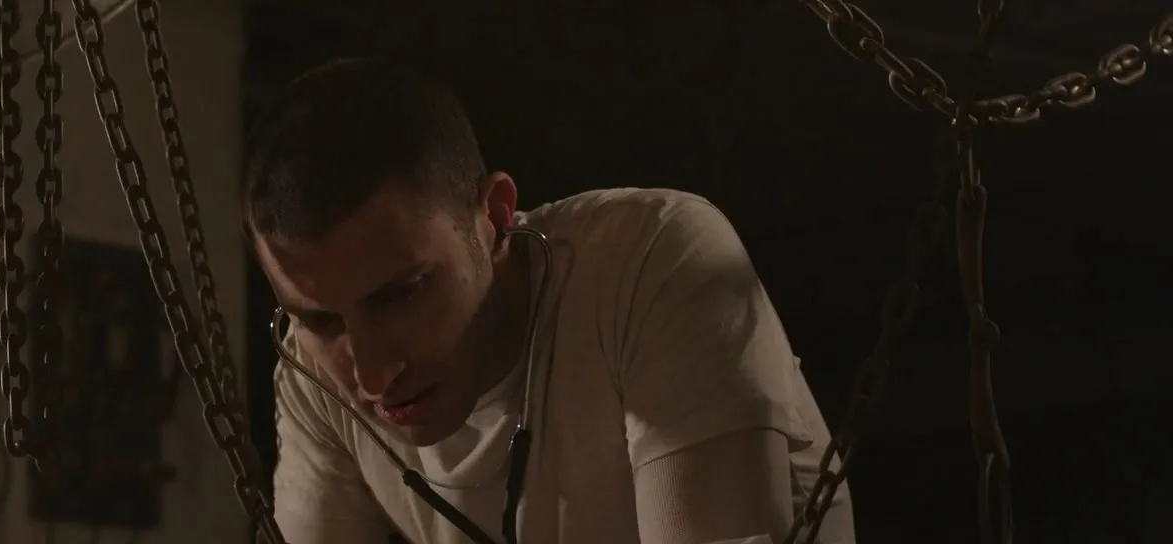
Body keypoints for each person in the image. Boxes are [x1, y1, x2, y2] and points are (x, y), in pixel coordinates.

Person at [243, 57, 855, 544]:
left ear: (495, 216)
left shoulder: (651, 264)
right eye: (320, 320)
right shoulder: (312, 375)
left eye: (402, 294)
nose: (373, 374)